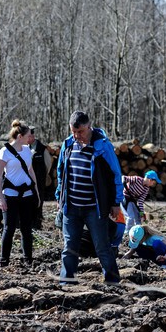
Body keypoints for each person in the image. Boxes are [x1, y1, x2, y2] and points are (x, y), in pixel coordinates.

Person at [55, 110, 123, 285]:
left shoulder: (103, 146)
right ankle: (67, 281)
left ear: (89, 126)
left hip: (95, 207)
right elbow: (61, 172)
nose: (77, 136)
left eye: (81, 132)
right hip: (71, 206)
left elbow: (116, 175)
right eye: (74, 132)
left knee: (102, 246)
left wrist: (116, 202)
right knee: (69, 246)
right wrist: (59, 197)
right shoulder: (68, 145)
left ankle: (112, 281)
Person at [0, 120, 40, 266]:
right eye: (28, 136)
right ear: (20, 136)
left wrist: (36, 191)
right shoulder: (5, 151)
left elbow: (30, 170)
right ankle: (4, 260)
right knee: (9, 228)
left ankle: (28, 259)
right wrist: (0, 198)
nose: (31, 138)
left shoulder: (27, 150)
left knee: (27, 229)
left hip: (27, 194)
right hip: (10, 195)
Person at [28, 126, 52, 229]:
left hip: (39, 181)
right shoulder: (24, 148)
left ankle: (37, 224)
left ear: (33, 136)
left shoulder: (42, 149)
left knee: (38, 202)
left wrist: (42, 177)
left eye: (29, 136)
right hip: (27, 182)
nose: (27, 138)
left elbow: (48, 165)